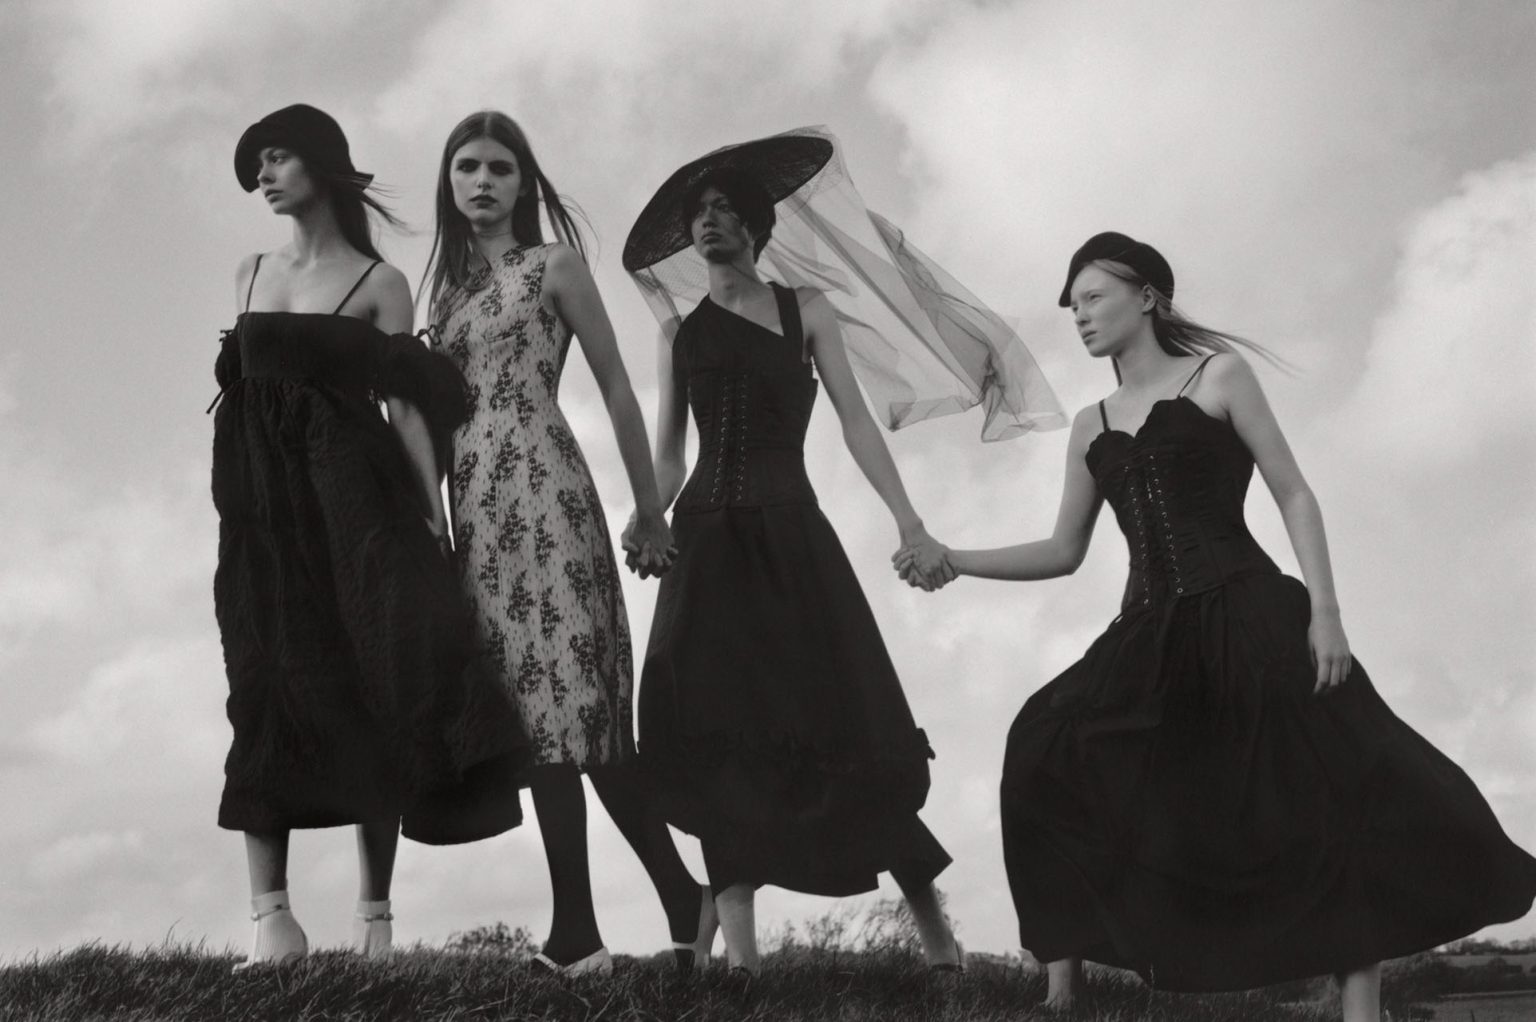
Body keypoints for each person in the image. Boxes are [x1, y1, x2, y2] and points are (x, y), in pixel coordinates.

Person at [897, 232, 1536, 1019]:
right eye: (1073, 305)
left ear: (1147, 297)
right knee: (1041, 746)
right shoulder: (1091, 425)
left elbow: (1293, 492)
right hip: (1149, 633)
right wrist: (954, 558)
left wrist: (1327, 614)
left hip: (1251, 615)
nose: (1080, 315)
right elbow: (1064, 551)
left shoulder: (1220, 376)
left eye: (1094, 297)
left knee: (1328, 793)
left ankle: (1360, 1007)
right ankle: (1063, 995)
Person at [623, 159, 965, 977]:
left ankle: (941, 946)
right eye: (697, 212)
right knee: (718, 737)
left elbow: (855, 422)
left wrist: (910, 520)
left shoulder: (805, 308)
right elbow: (669, 458)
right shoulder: (678, 334)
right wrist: (645, 512)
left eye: (723, 209)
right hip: (707, 547)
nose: (707, 221)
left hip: (791, 539)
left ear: (756, 225)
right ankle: (740, 965)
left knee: (850, 724)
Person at [212, 105, 526, 970]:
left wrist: (434, 512)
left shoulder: (380, 282)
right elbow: (243, 401)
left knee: (375, 678)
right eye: (259, 162)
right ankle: (271, 921)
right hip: (265, 516)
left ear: (322, 167)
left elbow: (406, 407)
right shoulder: (249, 272)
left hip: (357, 505)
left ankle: (375, 921)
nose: (264, 175)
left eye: (279, 158)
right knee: (264, 682)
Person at [423, 110, 712, 976]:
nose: (482, 181)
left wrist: (652, 509)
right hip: (477, 515)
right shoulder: (444, 298)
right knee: (537, 720)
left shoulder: (553, 265)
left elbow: (618, 386)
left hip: (548, 497)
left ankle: (589, 930)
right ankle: (664, 905)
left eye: (499, 168)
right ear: (449, 182)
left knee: (576, 713)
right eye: (467, 167)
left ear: (524, 183)